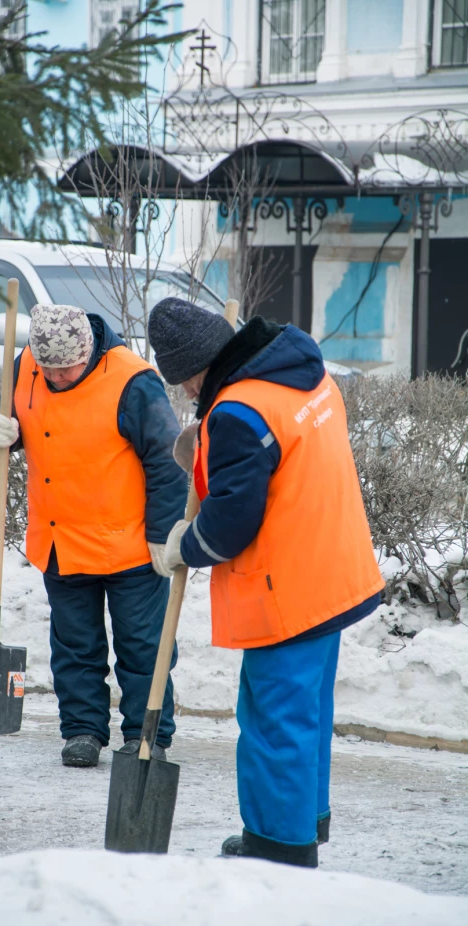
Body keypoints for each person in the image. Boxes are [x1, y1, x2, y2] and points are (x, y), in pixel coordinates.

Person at [148, 298, 384, 868]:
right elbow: (283, 460)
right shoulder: (297, 372)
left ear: (197, 369)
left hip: (289, 586)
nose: (184, 395)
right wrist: (210, 451)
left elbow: (230, 523)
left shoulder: (236, 410)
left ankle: (279, 850)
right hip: (332, 569)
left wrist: (184, 545)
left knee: (274, 718)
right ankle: (303, 824)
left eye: (183, 383)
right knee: (306, 712)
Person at [0, 303, 187, 768]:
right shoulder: (27, 365)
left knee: (142, 647)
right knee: (75, 647)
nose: (55, 378)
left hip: (130, 545)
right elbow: (12, 418)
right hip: (61, 540)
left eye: (66, 369)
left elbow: (167, 462)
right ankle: (82, 730)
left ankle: (146, 733)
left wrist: (162, 534)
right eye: (48, 369)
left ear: (90, 350)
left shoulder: (133, 382)